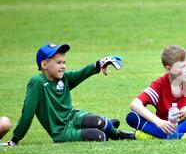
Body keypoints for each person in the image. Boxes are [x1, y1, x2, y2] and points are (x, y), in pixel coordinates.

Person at [4, 43, 134, 146]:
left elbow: (82, 73)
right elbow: (27, 114)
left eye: (64, 62)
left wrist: (100, 63)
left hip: (74, 116)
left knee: (97, 121)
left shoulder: (64, 78)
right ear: (44, 64)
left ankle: (117, 134)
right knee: (99, 136)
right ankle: (107, 127)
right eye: (58, 62)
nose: (63, 66)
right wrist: (15, 139)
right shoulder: (37, 82)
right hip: (61, 131)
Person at [126, 45, 186, 140]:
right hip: (165, 126)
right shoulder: (159, 85)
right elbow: (135, 104)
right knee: (132, 117)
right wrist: (159, 122)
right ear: (169, 69)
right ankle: (183, 137)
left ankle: (158, 136)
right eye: (182, 67)